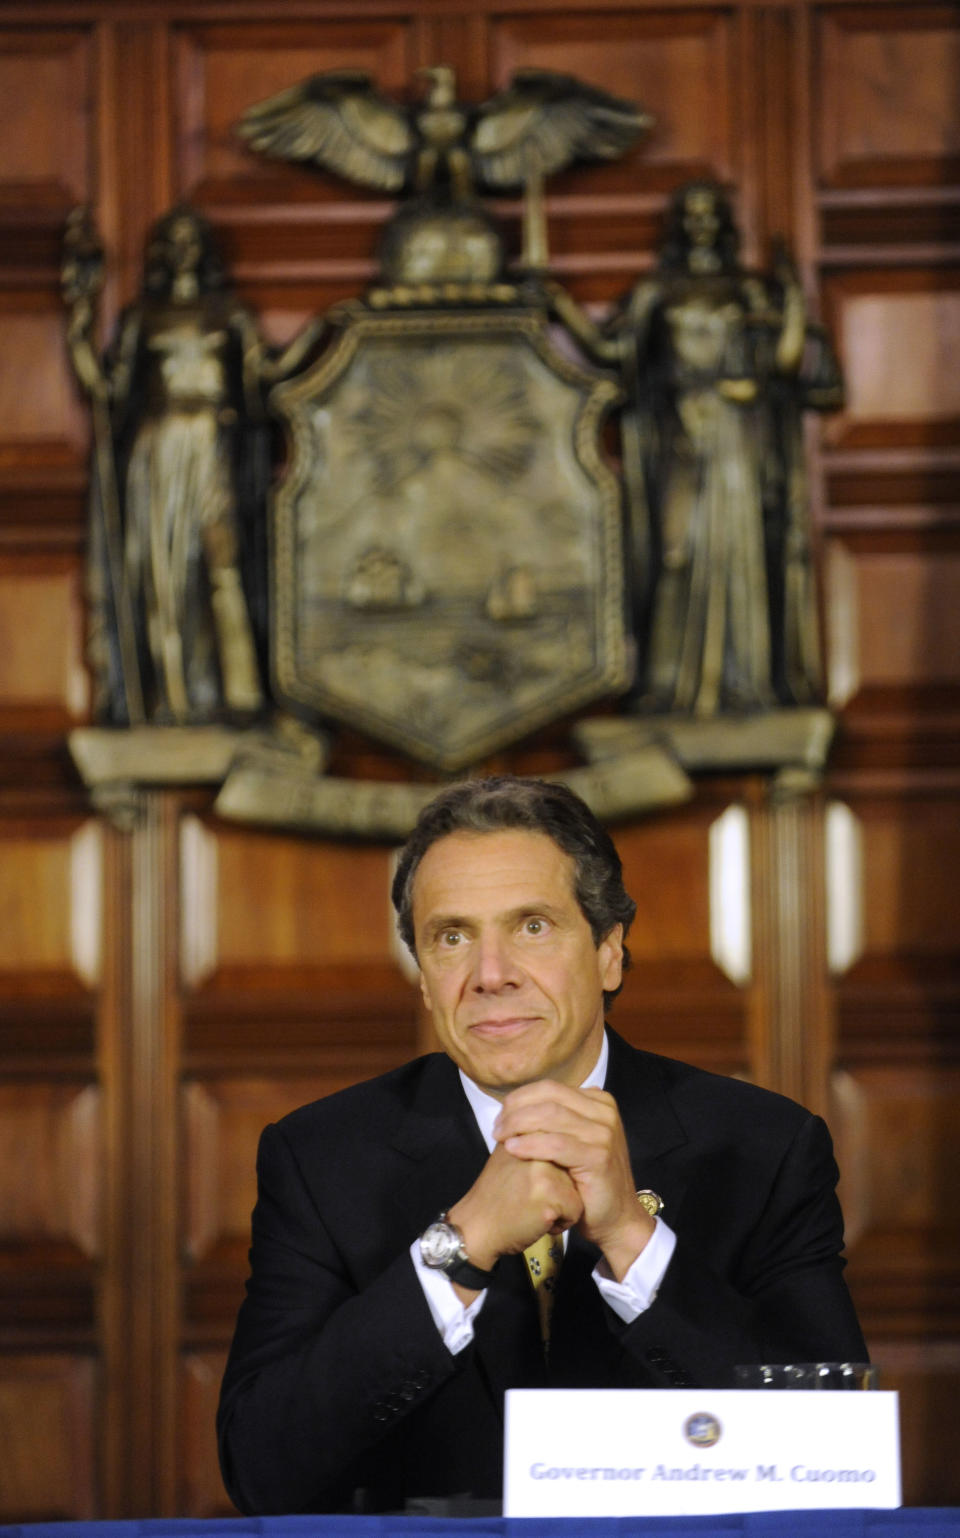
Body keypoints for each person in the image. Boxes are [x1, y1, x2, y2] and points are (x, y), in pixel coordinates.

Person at [218, 774, 866, 1514]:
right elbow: (261, 1469)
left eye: (532, 926)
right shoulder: (320, 1158)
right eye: (452, 937)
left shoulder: (765, 1147)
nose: (490, 975)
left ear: (609, 953)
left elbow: (835, 1455)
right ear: (425, 980)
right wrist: (458, 1248)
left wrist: (632, 1235)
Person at [63, 204, 325, 724]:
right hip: (156, 451)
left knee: (220, 562)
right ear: (162, 251)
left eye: (192, 239)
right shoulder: (141, 318)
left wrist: (321, 334)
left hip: (213, 446)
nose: (184, 250)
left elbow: (266, 374)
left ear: (206, 250)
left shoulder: (230, 314)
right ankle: (171, 697)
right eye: (173, 240)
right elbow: (105, 389)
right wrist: (79, 318)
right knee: (160, 570)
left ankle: (237, 692)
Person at [606, 181, 842, 714]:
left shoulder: (747, 289)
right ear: (676, 225)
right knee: (675, 550)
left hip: (739, 435)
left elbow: (780, 356)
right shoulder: (655, 289)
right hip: (680, 436)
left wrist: (793, 305)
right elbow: (613, 354)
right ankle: (669, 685)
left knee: (742, 553)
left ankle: (746, 683)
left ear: (724, 222)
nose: (700, 224)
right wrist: (554, 304)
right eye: (689, 215)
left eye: (709, 214)